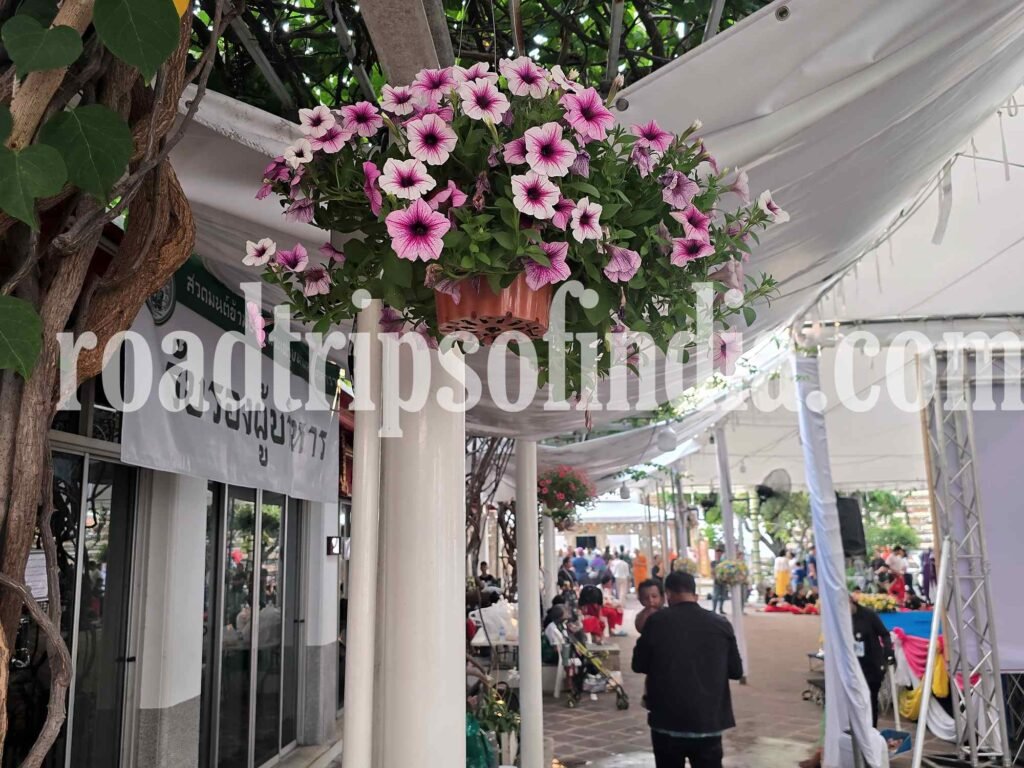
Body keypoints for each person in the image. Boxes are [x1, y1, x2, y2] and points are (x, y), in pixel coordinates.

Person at [632, 572, 744, 768]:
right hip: (708, 720)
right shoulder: (721, 624)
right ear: (694, 593)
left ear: (668, 594)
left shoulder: (657, 622)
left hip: (667, 720)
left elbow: (638, 665)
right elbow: (736, 671)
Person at [850, 592, 895, 727]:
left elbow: (884, 634)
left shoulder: (868, 615)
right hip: (854, 665)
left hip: (872, 664)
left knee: (871, 699)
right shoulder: (841, 618)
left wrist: (888, 651)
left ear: (852, 602)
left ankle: (872, 730)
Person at [711, 544, 727, 615]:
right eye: (717, 552)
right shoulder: (713, 563)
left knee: (723, 596)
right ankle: (714, 609)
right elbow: (712, 572)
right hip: (717, 581)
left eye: (720, 552)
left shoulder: (724, 562)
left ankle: (721, 609)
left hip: (724, 581)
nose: (719, 554)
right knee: (715, 596)